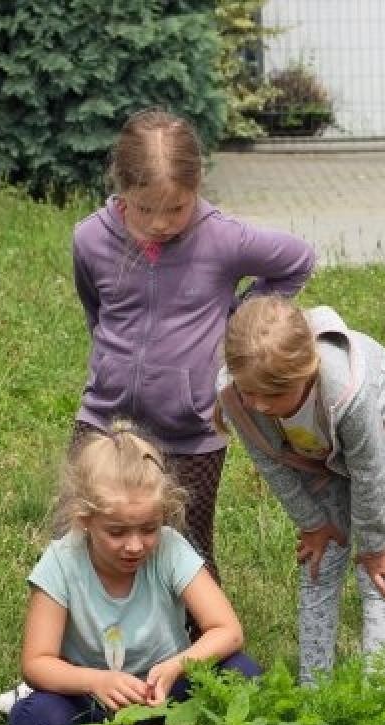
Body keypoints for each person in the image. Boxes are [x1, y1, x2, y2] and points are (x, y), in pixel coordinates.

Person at [70, 108, 315, 580]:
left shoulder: (222, 237)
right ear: (121, 187)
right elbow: (95, 311)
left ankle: (200, 628)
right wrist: (111, 365)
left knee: (189, 550)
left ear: (197, 185)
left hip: (191, 430)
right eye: (145, 209)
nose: (161, 223)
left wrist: (238, 323)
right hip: (105, 418)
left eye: (177, 208)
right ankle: (88, 625)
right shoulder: (89, 239)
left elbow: (297, 261)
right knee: (87, 537)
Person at [0, 425, 260, 725]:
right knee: (38, 716)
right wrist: (96, 681)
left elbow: (228, 631)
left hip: (163, 691)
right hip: (93, 698)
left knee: (243, 674)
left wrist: (177, 666)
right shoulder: (61, 563)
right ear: (85, 521)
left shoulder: (170, 549)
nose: (135, 545)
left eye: (149, 529)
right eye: (117, 532)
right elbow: (37, 662)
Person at [218, 296, 385, 684]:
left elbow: (370, 470)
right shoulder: (235, 394)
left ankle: (378, 698)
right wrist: (312, 523)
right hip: (312, 452)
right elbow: (270, 461)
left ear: (306, 371)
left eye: (274, 394)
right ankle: (315, 691)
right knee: (320, 561)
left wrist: (373, 546)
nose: (260, 406)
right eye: (250, 393)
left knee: (379, 572)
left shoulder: (347, 392)